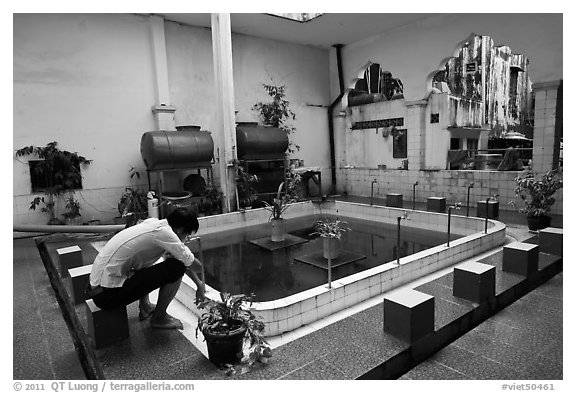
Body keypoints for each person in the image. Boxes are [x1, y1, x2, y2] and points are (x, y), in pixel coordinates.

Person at [88, 208, 205, 330]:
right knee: (177, 268)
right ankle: (159, 318)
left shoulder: (153, 223)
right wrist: (199, 284)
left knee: (154, 265)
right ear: (180, 229)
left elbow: (144, 264)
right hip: (107, 297)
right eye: (187, 235)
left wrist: (199, 285)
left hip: (97, 290)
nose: (186, 239)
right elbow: (197, 266)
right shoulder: (166, 235)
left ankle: (145, 306)